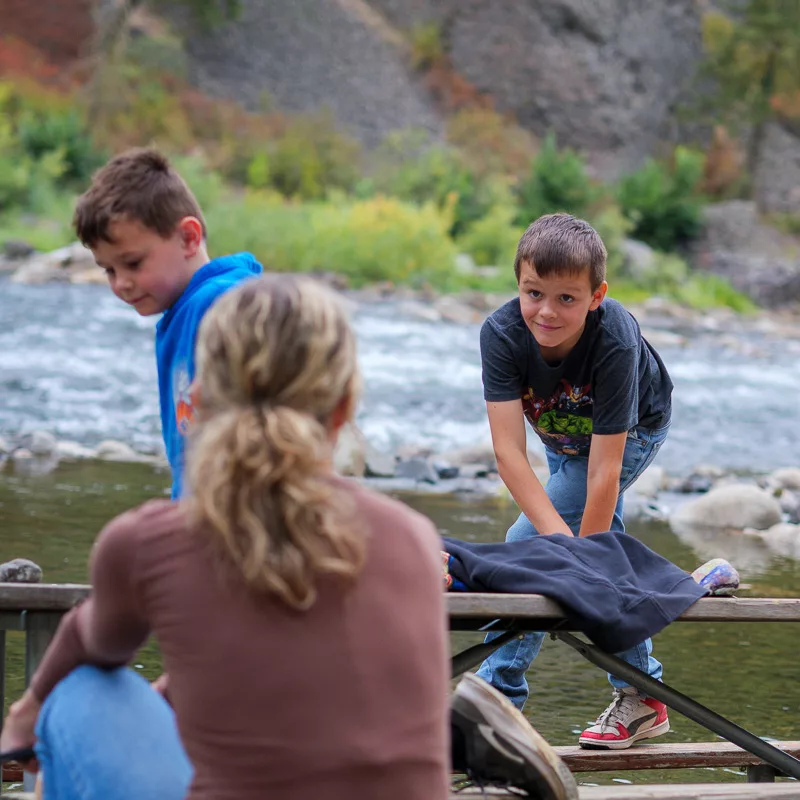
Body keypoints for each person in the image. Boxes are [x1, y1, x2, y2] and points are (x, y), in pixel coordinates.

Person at [0, 275, 579, 800]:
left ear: (193, 405)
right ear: (345, 406)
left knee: (76, 698)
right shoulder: (409, 539)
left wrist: (26, 715)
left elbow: (89, 645)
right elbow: (287, 665)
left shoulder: (151, 540)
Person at [475, 212, 674, 749]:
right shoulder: (501, 334)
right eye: (533, 292)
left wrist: (580, 559)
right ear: (518, 280)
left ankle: (495, 700)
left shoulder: (615, 340)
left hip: (631, 434)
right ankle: (642, 695)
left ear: (596, 296)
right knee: (573, 542)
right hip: (562, 441)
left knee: (524, 544)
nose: (546, 311)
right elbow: (509, 453)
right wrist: (572, 548)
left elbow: (606, 468)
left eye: (567, 298)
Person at [73, 147, 263, 498]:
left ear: (188, 238)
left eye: (133, 263)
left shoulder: (224, 300)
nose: (121, 283)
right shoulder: (184, 310)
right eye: (109, 270)